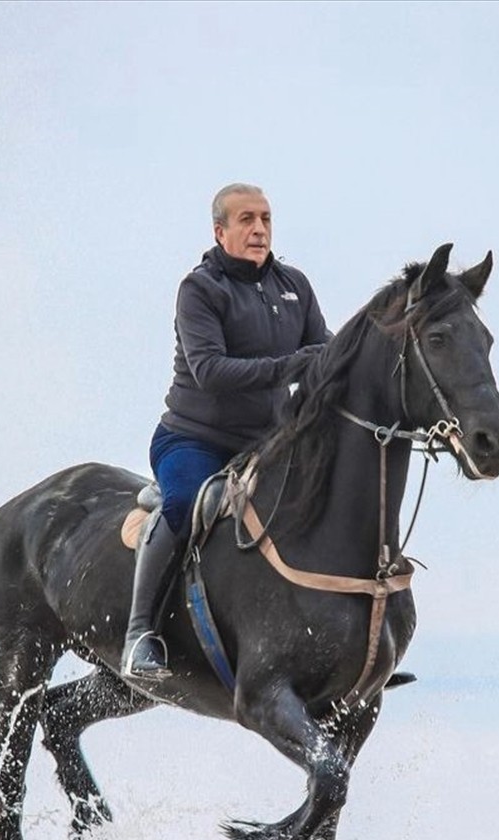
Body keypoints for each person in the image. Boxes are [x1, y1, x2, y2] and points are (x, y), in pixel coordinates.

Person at [120, 183, 330, 682]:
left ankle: (345, 639)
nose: (259, 229)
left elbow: (326, 352)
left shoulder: (295, 285)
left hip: (268, 445)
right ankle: (139, 635)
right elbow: (211, 371)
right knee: (186, 501)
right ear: (220, 231)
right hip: (194, 440)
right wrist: (291, 366)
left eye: (266, 219)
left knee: (332, 498)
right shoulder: (200, 289)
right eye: (246, 220)